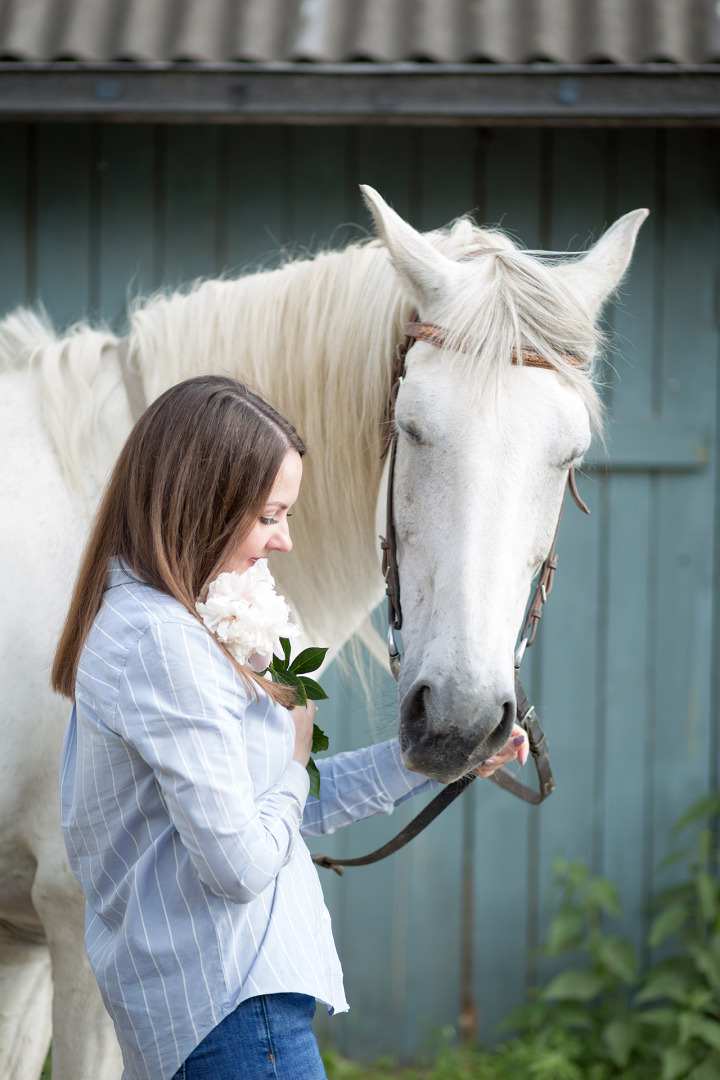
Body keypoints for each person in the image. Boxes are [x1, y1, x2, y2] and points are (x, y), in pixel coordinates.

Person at [53, 375, 528, 1080]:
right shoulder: (164, 645)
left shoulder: (150, 624)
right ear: (203, 502)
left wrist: (430, 761)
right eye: (271, 515)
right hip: (236, 1018)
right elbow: (242, 864)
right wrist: (295, 752)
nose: (286, 541)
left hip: (227, 1012)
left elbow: (277, 804)